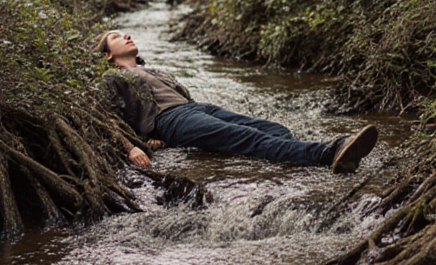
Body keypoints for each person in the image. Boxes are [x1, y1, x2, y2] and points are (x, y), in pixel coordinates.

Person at [93, 30, 378, 173]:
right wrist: (133, 147)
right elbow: (105, 117)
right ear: (107, 54)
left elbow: (186, 98)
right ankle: (327, 153)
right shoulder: (111, 78)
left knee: (275, 129)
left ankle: (288, 157)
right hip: (172, 120)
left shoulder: (153, 70)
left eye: (126, 33)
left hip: (195, 109)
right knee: (247, 137)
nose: (127, 36)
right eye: (117, 36)